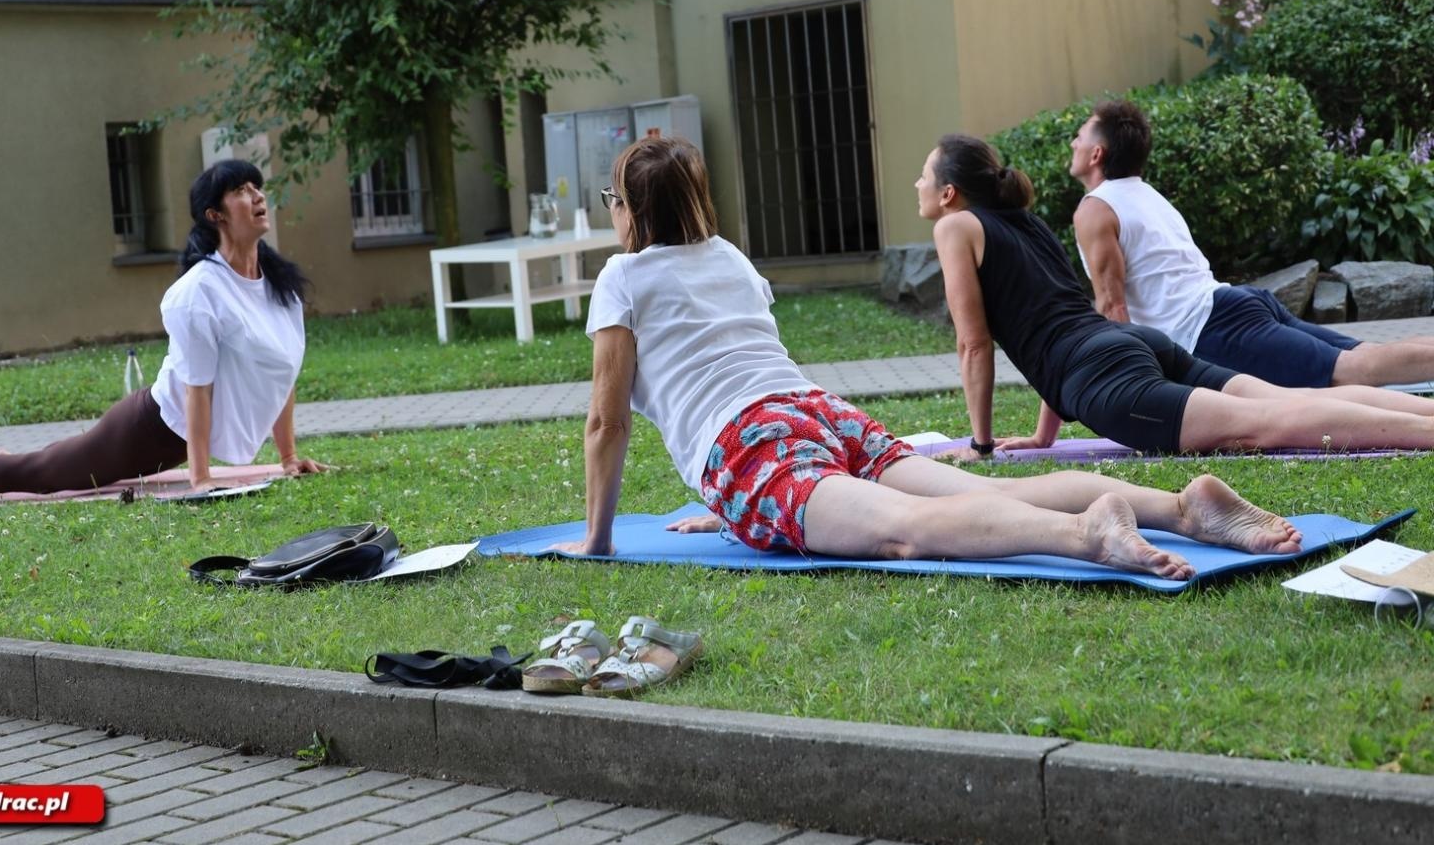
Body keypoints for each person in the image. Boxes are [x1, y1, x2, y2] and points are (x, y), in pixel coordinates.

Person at [548, 135, 1304, 583]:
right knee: (964, 490)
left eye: (614, 200)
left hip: (751, 446)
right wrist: (726, 502)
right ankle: (1180, 508)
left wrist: (599, 539)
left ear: (630, 209)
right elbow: (724, 362)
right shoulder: (730, 259)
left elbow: (605, 423)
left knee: (905, 529)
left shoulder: (623, 275)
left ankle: (1086, 535)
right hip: (816, 413)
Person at [921, 133, 1434, 460]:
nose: (917, 182)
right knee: (1286, 400)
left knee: (1267, 424)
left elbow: (975, 345)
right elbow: (1057, 318)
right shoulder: (1025, 223)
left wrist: (981, 447)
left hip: (1103, 371)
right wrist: (1043, 436)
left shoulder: (956, 227)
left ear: (949, 192)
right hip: (1134, 342)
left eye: (925, 174)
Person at [0, 160, 328, 502]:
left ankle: (12, 460)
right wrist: (200, 479)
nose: (257, 197)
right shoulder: (199, 292)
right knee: (42, 476)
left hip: (175, 440)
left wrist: (288, 457)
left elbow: (279, 376)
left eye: (257, 188)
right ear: (215, 215)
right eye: (241, 191)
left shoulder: (279, 287)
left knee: (52, 463)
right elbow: (198, 389)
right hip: (150, 428)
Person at [1069, 99, 1434, 389]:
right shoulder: (1147, 195)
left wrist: (1142, 383)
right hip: (1232, 307)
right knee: (1364, 354)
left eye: (1080, 135)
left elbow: (1113, 307)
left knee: (1353, 370)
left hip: (1211, 329)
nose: (1073, 142)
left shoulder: (1094, 209)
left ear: (1096, 153)